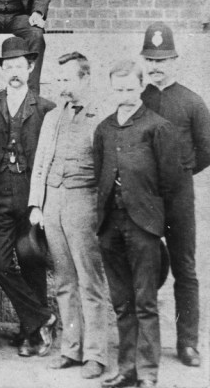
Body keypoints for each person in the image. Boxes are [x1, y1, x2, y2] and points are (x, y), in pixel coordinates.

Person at [94, 61, 185, 388]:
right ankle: (126, 369)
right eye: (118, 89)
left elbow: (171, 183)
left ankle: (147, 373)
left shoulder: (157, 127)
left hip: (143, 226)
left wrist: (158, 225)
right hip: (110, 225)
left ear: (141, 87)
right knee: (122, 302)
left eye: (130, 88)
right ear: (111, 88)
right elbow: (99, 173)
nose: (125, 94)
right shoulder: (104, 128)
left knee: (145, 301)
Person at [27, 52, 112, 379]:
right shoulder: (52, 116)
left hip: (84, 202)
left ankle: (95, 355)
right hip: (53, 203)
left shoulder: (101, 116)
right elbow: (41, 163)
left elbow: (108, 169)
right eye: (59, 79)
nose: (61, 86)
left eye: (67, 79)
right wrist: (36, 205)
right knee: (64, 280)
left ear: (85, 78)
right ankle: (71, 349)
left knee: (90, 281)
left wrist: (103, 211)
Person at [0, 37, 57, 357]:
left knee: (31, 259)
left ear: (30, 68)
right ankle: (42, 318)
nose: (14, 72)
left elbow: (51, 159)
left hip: (31, 195)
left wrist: (43, 203)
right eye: (8, 67)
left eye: (20, 66)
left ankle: (30, 333)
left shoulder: (45, 108)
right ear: (2, 70)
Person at [138, 22, 208, 367]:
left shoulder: (192, 102)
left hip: (179, 197)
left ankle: (188, 343)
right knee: (145, 269)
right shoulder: (140, 100)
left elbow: (206, 150)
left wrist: (179, 173)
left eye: (162, 60)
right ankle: (146, 344)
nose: (156, 66)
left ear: (175, 60)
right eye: (151, 60)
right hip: (146, 198)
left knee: (185, 269)